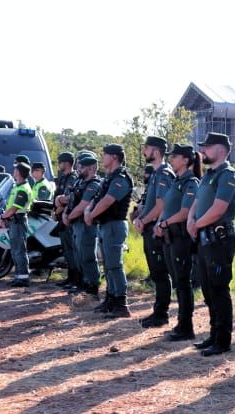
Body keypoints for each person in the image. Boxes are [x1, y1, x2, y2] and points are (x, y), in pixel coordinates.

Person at [189, 132, 235, 352]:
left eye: (207, 147)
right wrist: (191, 221)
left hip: (219, 238)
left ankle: (223, 340)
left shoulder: (227, 175)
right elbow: (198, 201)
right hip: (204, 236)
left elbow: (219, 208)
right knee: (209, 289)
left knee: (219, 289)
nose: (203, 151)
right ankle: (213, 334)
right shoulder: (209, 175)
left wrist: (197, 223)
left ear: (220, 149)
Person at [85, 143, 135, 317]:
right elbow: (97, 197)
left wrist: (91, 215)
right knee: (107, 266)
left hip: (115, 225)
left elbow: (108, 200)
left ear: (114, 157)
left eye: (105, 154)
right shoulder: (109, 177)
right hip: (106, 225)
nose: (102, 157)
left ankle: (121, 304)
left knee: (114, 265)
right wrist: (88, 211)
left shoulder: (121, 178)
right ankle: (111, 298)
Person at [157, 144, 201, 341]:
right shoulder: (177, 181)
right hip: (169, 237)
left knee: (183, 282)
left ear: (185, 160)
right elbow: (167, 207)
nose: (171, 159)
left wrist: (165, 222)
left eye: (174, 156)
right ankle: (181, 323)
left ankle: (186, 325)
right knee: (178, 282)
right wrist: (160, 223)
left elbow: (184, 213)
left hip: (181, 238)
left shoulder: (191, 182)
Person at [131, 136, 174, 326]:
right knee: (156, 273)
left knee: (160, 273)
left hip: (157, 230)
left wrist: (144, 219)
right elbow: (150, 203)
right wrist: (139, 213)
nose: (144, 152)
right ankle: (158, 310)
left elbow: (161, 205)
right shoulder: (156, 174)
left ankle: (162, 314)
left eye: (147, 148)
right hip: (150, 228)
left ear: (155, 151)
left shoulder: (164, 173)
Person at [63, 152, 102, 300]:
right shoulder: (80, 182)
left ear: (92, 168)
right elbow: (72, 200)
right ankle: (82, 283)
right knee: (78, 255)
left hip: (86, 224)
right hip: (75, 224)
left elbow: (83, 205)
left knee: (87, 256)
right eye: (79, 166)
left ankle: (92, 286)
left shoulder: (94, 184)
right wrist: (65, 214)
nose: (79, 169)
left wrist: (69, 216)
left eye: (83, 167)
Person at [52, 152, 83, 290]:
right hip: (61, 218)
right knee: (67, 250)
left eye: (61, 161)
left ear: (67, 163)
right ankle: (71, 277)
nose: (59, 164)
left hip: (68, 217)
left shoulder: (73, 178)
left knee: (72, 250)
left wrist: (58, 207)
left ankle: (76, 279)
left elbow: (68, 198)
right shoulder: (63, 178)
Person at [2, 161, 35, 287]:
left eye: (16, 170)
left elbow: (14, 208)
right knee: (15, 250)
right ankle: (18, 276)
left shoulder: (23, 189)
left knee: (19, 250)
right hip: (14, 221)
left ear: (20, 173)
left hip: (18, 220)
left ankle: (23, 278)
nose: (14, 171)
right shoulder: (17, 186)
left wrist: (2, 216)